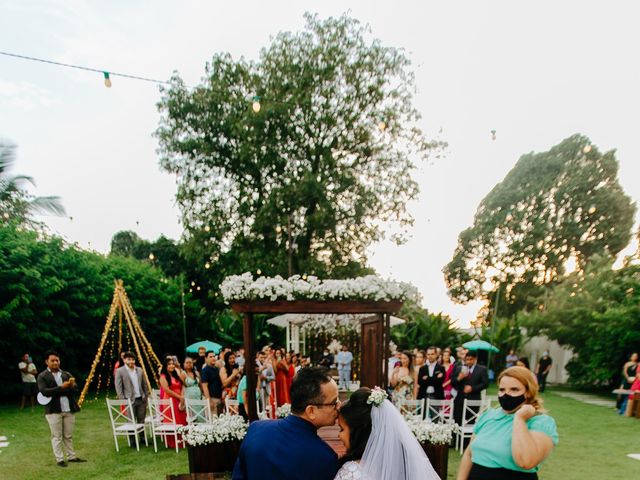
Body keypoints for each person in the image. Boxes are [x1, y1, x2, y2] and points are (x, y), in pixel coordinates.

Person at [232, 367, 340, 480]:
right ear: (311, 411)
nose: (339, 406)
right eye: (334, 402)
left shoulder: (256, 428)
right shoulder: (324, 457)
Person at [457, 366, 558, 479]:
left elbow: (526, 461)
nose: (506, 394)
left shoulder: (541, 422)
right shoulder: (488, 416)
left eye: (514, 390)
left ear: (528, 392)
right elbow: (469, 454)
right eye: (502, 390)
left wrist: (519, 419)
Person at [334, 387, 440, 480]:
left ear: (359, 432)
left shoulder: (351, 472)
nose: (339, 435)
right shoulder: (408, 466)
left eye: (341, 429)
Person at [37, 350, 86, 467]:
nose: (55, 363)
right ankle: (59, 459)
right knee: (56, 436)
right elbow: (44, 391)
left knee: (68, 435)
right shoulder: (42, 376)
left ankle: (71, 456)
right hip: (53, 410)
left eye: (57, 360)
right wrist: (61, 388)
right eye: (52, 360)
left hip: (68, 408)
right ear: (46, 362)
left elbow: (75, 389)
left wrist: (71, 386)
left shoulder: (66, 374)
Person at [115, 351, 150, 446]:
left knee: (141, 420)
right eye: (129, 359)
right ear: (124, 360)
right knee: (131, 421)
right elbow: (118, 387)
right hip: (129, 400)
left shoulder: (139, 370)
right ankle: (132, 440)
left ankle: (142, 438)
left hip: (141, 399)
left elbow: (144, 385)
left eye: (133, 359)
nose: (131, 361)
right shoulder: (120, 371)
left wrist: (146, 396)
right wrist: (123, 400)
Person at [451, 350, 489, 426]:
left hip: (474, 399)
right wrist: (459, 378)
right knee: (457, 422)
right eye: (467, 359)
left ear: (475, 359)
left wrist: (472, 388)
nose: (468, 362)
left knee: (471, 422)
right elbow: (453, 382)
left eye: (471, 359)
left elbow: (485, 384)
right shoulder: (459, 368)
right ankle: (457, 437)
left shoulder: (482, 369)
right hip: (460, 399)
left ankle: (468, 438)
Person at [159, 356, 187, 448]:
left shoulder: (175, 375)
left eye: (172, 364)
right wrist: (178, 397)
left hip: (180, 400)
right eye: (169, 364)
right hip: (170, 400)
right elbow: (167, 390)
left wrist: (182, 396)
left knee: (182, 418)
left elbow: (183, 385)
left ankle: (184, 439)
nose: (171, 366)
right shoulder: (163, 377)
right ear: (165, 366)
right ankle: (174, 442)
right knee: (174, 420)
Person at [201, 351, 223, 415]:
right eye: (210, 357)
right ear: (206, 359)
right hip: (211, 399)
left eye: (214, 356)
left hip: (219, 398)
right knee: (214, 421)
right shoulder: (205, 370)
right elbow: (205, 386)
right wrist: (209, 401)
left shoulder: (217, 369)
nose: (213, 358)